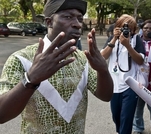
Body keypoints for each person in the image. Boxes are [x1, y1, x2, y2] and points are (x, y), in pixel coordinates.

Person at [0, 0, 113, 133]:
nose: (77, 24)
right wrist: (30, 79)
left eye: (80, 19)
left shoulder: (83, 58)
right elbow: (2, 114)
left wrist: (103, 70)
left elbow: (106, 96)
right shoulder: (21, 59)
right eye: (68, 17)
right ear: (49, 22)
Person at [100, 14, 145, 134]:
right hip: (113, 85)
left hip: (130, 85)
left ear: (133, 29)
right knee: (116, 116)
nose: (125, 30)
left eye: (129, 28)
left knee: (126, 118)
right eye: (122, 27)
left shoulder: (136, 39)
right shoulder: (112, 39)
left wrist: (128, 45)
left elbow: (140, 60)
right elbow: (103, 57)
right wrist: (114, 39)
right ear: (117, 27)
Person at [132, 19, 151, 134]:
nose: (148, 30)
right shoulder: (135, 43)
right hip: (138, 79)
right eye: (146, 28)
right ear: (142, 29)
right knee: (137, 108)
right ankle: (138, 129)